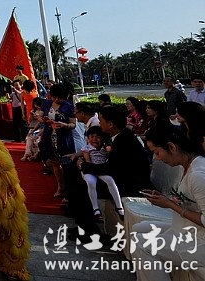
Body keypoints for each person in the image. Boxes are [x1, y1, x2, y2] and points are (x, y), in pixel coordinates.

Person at [130, 123, 205, 281]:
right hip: (187, 228)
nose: (157, 158)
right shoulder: (188, 165)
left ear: (171, 147)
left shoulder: (198, 175)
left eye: (157, 152)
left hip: (199, 241)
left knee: (142, 243)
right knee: (137, 228)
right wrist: (166, 199)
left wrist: (170, 205)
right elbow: (191, 201)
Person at [70, 106, 151, 239]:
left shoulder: (124, 141)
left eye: (101, 120)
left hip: (129, 183)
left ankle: (89, 232)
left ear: (110, 124)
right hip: (118, 176)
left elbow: (110, 168)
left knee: (81, 186)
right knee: (76, 177)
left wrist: (84, 165)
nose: (99, 123)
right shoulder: (118, 137)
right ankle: (83, 226)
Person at [38, 83, 78, 197]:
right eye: (54, 97)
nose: (56, 100)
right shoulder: (46, 103)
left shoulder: (68, 106)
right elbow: (40, 116)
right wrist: (43, 119)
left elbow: (73, 124)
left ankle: (67, 188)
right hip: (49, 136)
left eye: (59, 98)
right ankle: (60, 186)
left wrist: (65, 125)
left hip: (63, 137)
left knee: (65, 163)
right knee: (52, 161)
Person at [79, 126, 124, 221]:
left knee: (110, 180)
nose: (95, 139)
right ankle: (95, 208)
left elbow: (109, 158)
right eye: (92, 137)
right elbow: (88, 162)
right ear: (88, 138)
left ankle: (119, 206)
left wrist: (109, 151)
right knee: (91, 182)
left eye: (98, 137)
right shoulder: (87, 148)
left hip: (101, 170)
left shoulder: (105, 148)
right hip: (90, 170)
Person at [22, 97, 44, 161]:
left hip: (44, 131)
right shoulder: (34, 111)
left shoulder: (45, 112)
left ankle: (37, 155)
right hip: (37, 129)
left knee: (38, 141)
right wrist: (33, 131)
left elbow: (44, 124)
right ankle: (27, 153)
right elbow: (38, 123)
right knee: (29, 137)